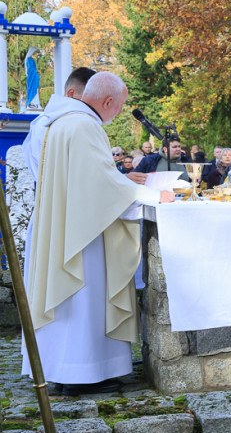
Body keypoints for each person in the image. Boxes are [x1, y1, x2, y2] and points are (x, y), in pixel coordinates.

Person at [23, 72, 175, 395]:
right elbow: (101, 187)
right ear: (107, 102)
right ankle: (82, 373)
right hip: (82, 231)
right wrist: (153, 196)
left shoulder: (58, 122)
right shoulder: (84, 126)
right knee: (82, 298)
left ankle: (61, 371)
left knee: (65, 302)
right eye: (118, 107)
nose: (118, 113)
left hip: (61, 222)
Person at [24, 67, 97, 183]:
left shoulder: (44, 120)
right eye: (89, 98)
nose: (93, 106)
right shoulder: (59, 122)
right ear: (71, 93)